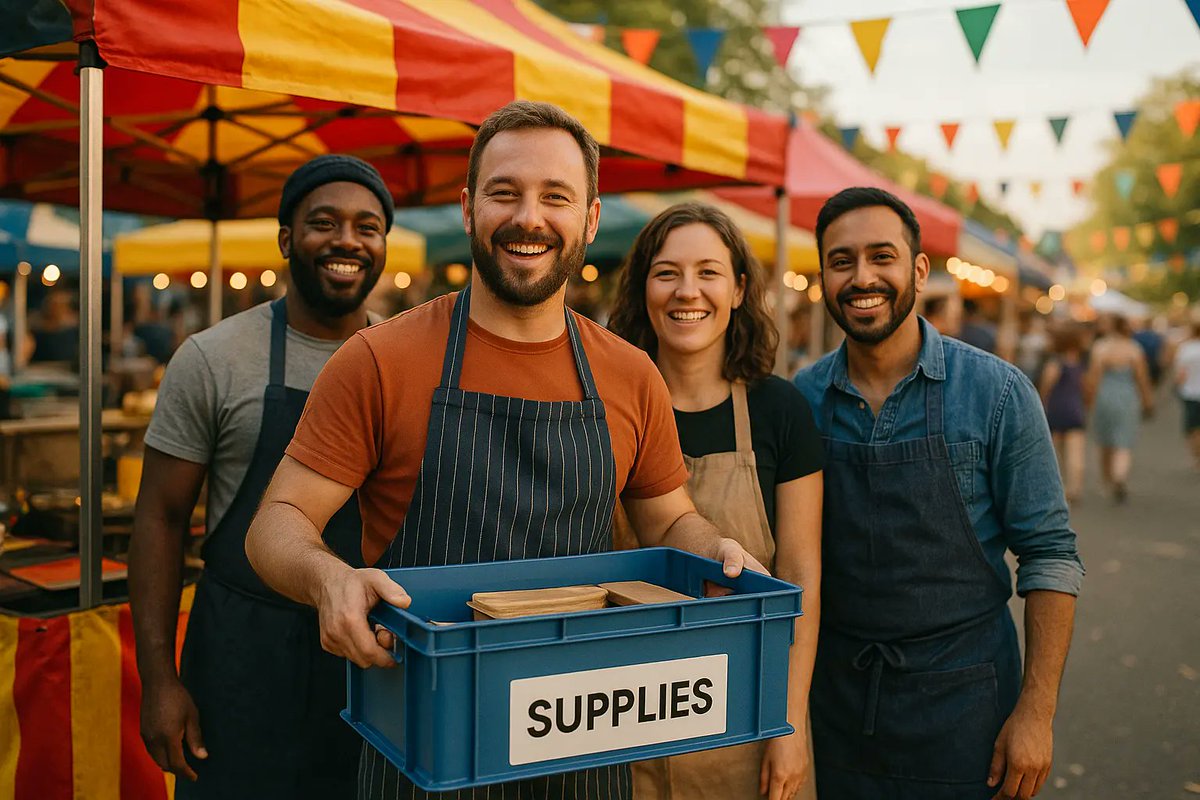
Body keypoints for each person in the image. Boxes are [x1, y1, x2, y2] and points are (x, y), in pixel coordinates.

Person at [243, 101, 764, 800]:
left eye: (556, 197)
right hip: (425, 745)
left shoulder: (630, 374)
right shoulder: (379, 359)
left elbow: (668, 519)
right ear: (467, 208)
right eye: (504, 192)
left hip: (585, 738)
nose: (529, 218)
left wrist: (714, 548)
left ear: (589, 218)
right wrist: (327, 579)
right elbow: (276, 522)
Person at [793, 187, 1083, 800]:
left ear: (919, 269)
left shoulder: (998, 394)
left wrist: (1036, 712)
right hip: (836, 701)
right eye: (842, 260)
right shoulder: (801, 398)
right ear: (823, 275)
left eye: (881, 256)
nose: (862, 277)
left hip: (968, 704)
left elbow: (1050, 554)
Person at [129, 154, 393, 799]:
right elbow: (160, 521)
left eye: (367, 226)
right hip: (240, 653)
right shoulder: (213, 359)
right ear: (286, 239)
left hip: (371, 657)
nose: (347, 241)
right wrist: (160, 681)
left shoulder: (402, 361)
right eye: (323, 222)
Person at [609, 203, 824, 800]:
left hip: (746, 711)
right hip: (620, 712)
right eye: (667, 272)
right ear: (642, 288)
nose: (687, 291)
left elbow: (801, 575)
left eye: (708, 271)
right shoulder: (605, 407)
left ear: (738, 290)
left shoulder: (780, 412)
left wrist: (790, 722)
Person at [1085, 314, 1154, 503]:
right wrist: (1148, 401)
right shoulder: (1133, 349)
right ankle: (1119, 476)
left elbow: (1093, 377)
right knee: (1123, 441)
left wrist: (1088, 401)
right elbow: (1142, 378)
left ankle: (1107, 480)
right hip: (1127, 397)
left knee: (1105, 441)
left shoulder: (1100, 348)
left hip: (1104, 397)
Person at [1038, 324, 1088, 504]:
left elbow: (1046, 386)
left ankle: (1059, 486)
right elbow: (1085, 387)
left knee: (1056, 451)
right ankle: (1074, 487)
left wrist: (1042, 403)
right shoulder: (1078, 363)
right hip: (1075, 409)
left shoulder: (1055, 363)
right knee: (1076, 452)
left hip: (1057, 410)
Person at [1173, 313, 1200, 471]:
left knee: (1192, 427)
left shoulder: (1186, 348)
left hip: (1190, 393)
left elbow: (1180, 374)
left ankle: (1197, 456)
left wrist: (1176, 386)